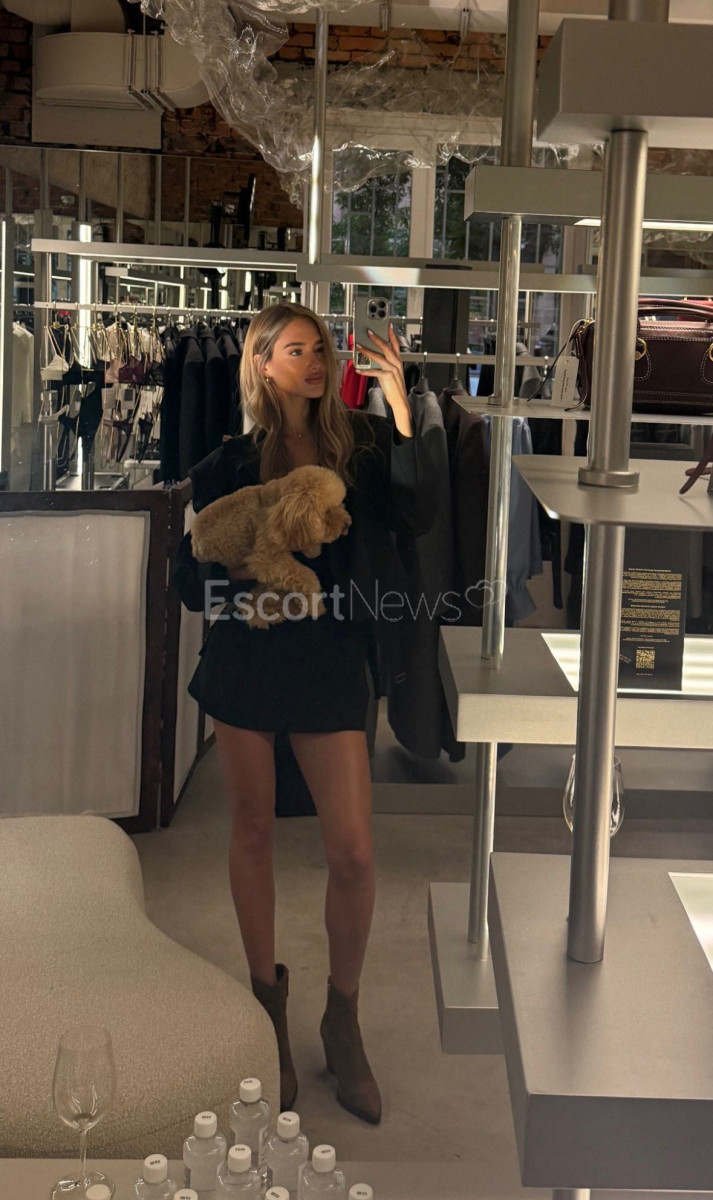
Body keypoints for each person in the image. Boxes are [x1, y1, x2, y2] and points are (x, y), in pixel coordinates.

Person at [173, 301, 438, 1127]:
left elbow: (419, 517)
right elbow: (191, 582)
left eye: (320, 348)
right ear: (261, 363)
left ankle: (341, 1018)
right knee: (251, 830)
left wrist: (401, 411)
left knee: (352, 850)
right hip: (248, 658)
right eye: (297, 350)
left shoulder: (361, 447)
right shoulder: (225, 461)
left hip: (330, 657)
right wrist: (242, 574)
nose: (316, 361)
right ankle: (266, 1007)